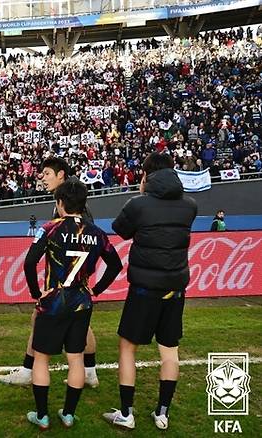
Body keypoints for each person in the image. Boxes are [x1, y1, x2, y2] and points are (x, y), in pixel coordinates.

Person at [103, 152, 197, 431]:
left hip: (144, 289)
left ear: (146, 175)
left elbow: (120, 229)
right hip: (175, 289)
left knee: (127, 348)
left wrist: (142, 194)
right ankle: (162, 413)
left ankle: (126, 413)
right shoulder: (189, 205)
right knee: (169, 351)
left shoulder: (138, 205)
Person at [24, 180, 122, 430]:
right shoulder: (97, 233)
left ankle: (42, 415)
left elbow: (29, 263)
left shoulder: (49, 228)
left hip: (54, 301)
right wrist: (96, 289)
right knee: (76, 358)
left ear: (59, 203)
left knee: (42, 358)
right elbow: (116, 265)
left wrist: (37, 293)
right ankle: (68, 414)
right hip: (81, 301)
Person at [0, 157, 99, 388]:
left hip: (65, 281)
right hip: (72, 282)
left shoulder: (73, 203)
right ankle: (89, 372)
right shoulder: (66, 200)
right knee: (82, 324)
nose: (42, 178)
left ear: (61, 174)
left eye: (46, 173)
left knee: (43, 318)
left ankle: (29, 370)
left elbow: (85, 240)